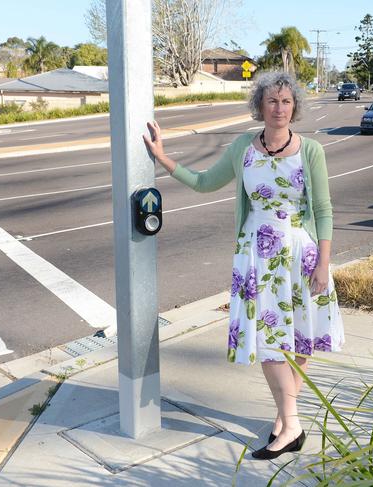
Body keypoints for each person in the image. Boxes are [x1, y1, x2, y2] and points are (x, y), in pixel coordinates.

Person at [143, 71, 344, 460]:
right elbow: (204, 182)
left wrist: (323, 262)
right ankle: (292, 423)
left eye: (286, 101)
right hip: (257, 255)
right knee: (270, 341)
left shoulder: (310, 151)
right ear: (259, 106)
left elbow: (323, 208)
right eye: (272, 101)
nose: (279, 108)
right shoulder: (243, 148)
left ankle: (287, 420)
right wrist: (164, 158)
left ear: (295, 106)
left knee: (301, 340)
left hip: (300, 252)